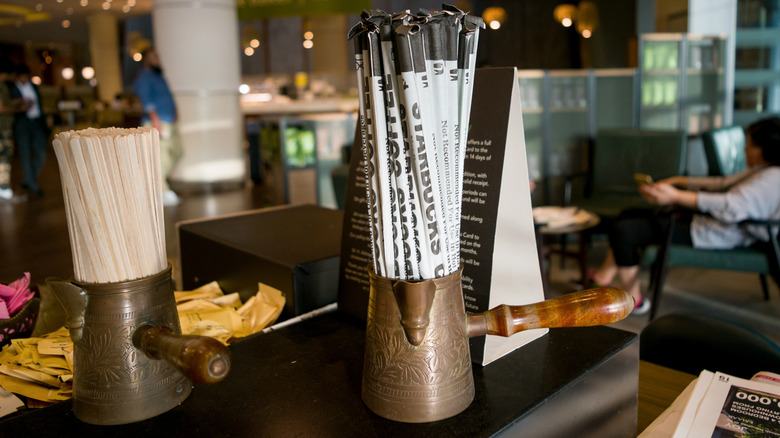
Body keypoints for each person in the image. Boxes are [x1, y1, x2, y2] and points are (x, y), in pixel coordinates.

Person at [588, 117, 780, 315]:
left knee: (624, 230)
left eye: (749, 145)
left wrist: (676, 196)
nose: (745, 150)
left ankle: (633, 299)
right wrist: (677, 181)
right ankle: (603, 277)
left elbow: (730, 205)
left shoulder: (772, 179)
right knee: (628, 214)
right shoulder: (764, 171)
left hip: (718, 233)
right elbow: (721, 183)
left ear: (767, 148)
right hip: (710, 223)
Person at [133, 47, 183, 206]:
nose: (158, 59)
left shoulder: (158, 76)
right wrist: (156, 121)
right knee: (161, 157)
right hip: (158, 122)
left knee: (177, 151)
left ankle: (156, 185)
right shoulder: (144, 78)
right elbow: (147, 102)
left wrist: (175, 111)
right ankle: (161, 191)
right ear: (146, 59)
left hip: (169, 121)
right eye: (154, 57)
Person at [12, 64, 48, 200]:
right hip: (22, 123)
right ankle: (33, 184)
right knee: (25, 154)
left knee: (42, 153)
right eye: (21, 76)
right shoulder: (12, 88)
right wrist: (21, 104)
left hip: (36, 122)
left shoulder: (34, 86)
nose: (23, 79)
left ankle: (29, 180)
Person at [0, 58, 23, 202]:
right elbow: (1, 108)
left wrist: (17, 102)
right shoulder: (1, 85)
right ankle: (4, 189)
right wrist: (19, 109)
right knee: (4, 157)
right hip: (3, 128)